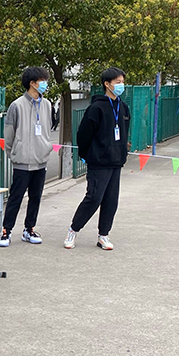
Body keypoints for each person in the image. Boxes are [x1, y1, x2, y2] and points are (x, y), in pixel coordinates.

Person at [64, 67, 130, 251]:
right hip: (98, 162)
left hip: (116, 161)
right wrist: (87, 155)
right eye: (117, 82)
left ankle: (103, 235)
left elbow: (125, 132)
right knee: (94, 197)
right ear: (107, 84)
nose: (121, 85)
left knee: (111, 200)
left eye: (122, 82)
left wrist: (122, 153)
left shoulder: (124, 108)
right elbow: (83, 135)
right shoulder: (96, 108)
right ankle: (73, 230)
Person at [0, 66, 53, 247]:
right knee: (16, 197)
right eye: (42, 81)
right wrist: (13, 153)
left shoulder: (47, 104)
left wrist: (46, 148)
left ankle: (29, 229)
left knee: (36, 197)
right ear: (32, 83)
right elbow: (9, 133)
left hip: (41, 159)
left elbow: (47, 129)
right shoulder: (17, 105)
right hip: (22, 160)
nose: (45, 84)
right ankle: (6, 231)